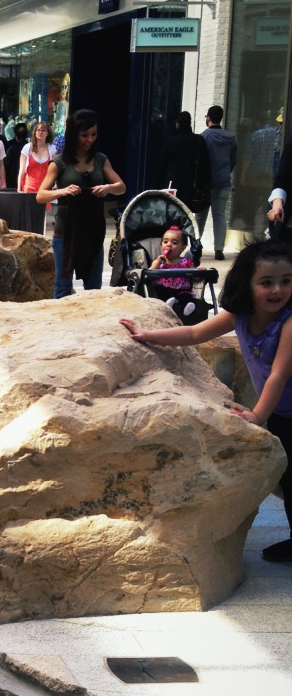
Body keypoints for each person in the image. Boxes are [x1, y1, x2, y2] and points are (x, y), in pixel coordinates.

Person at [120, 239, 292, 562]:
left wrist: (257, 416)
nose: (278, 290)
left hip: (284, 410)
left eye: (286, 281)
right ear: (246, 283)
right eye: (267, 282)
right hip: (284, 414)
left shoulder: (289, 323)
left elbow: (278, 376)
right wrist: (147, 336)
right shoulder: (239, 315)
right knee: (289, 478)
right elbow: (195, 333)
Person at [35, 108, 125, 299]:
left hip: (93, 229)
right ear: (74, 134)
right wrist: (63, 191)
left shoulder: (100, 159)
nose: (89, 140)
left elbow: (121, 187)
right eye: (84, 135)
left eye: (94, 134)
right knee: (62, 287)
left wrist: (108, 187)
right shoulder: (59, 162)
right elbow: (40, 195)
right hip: (66, 231)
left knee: (94, 288)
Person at [198, 105, 238, 260]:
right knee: (219, 216)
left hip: (206, 183)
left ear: (208, 118)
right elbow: (233, 160)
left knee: (200, 215)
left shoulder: (204, 137)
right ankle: (219, 249)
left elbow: (200, 161)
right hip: (224, 182)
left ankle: (196, 245)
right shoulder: (230, 138)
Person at [155, 111, 211, 220]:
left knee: (171, 214)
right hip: (192, 186)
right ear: (190, 123)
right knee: (187, 215)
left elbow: (161, 166)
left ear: (177, 124)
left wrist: (157, 187)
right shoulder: (198, 140)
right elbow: (205, 166)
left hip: (172, 184)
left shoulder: (171, 141)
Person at [148, 225, 197, 320]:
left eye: (174, 243)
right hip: (164, 288)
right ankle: (169, 303)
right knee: (160, 291)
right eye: (165, 242)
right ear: (161, 245)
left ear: (182, 248)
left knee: (186, 295)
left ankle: (188, 306)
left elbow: (195, 276)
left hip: (182, 289)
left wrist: (199, 271)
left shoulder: (186, 262)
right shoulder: (159, 262)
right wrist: (157, 263)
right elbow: (149, 274)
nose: (169, 245)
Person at [18, 120, 53, 193]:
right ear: (35, 132)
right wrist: (19, 189)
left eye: (43, 130)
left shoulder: (52, 148)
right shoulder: (27, 148)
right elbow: (21, 171)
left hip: (45, 190)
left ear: (47, 133)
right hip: (29, 188)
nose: (40, 132)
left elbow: (54, 171)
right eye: (38, 130)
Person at [4, 121, 30, 188]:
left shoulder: (11, 148)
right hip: (27, 181)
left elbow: (6, 165)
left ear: (15, 134)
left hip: (12, 182)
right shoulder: (31, 148)